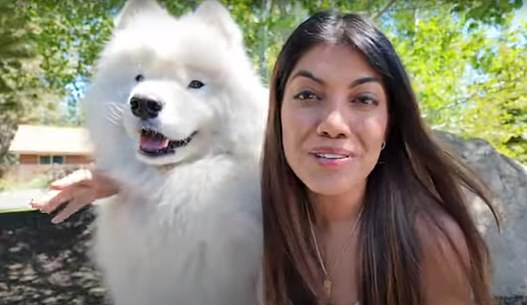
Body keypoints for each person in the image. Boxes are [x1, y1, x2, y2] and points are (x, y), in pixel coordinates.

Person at [33, 10, 497, 305]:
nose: (333, 121)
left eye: (363, 100)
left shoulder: (430, 244)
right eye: (308, 94)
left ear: (392, 121)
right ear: (275, 110)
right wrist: (116, 176)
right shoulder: (265, 206)